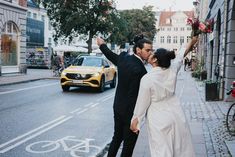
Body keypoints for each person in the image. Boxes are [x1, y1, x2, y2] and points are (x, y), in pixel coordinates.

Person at [130, 48, 196, 157]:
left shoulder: (147, 79)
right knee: (180, 149)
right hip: (176, 114)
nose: (150, 53)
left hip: (158, 117)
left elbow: (142, 102)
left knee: (161, 151)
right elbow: (180, 57)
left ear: (155, 59)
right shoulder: (172, 70)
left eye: (152, 53)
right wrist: (192, 42)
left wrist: (136, 120)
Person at [96, 35, 153, 157]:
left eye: (151, 50)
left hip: (118, 107)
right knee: (128, 146)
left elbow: (109, 54)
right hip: (131, 114)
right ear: (139, 50)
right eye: (148, 50)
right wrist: (137, 117)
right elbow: (136, 96)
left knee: (116, 138)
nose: (150, 53)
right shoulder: (141, 71)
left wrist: (101, 44)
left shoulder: (123, 58)